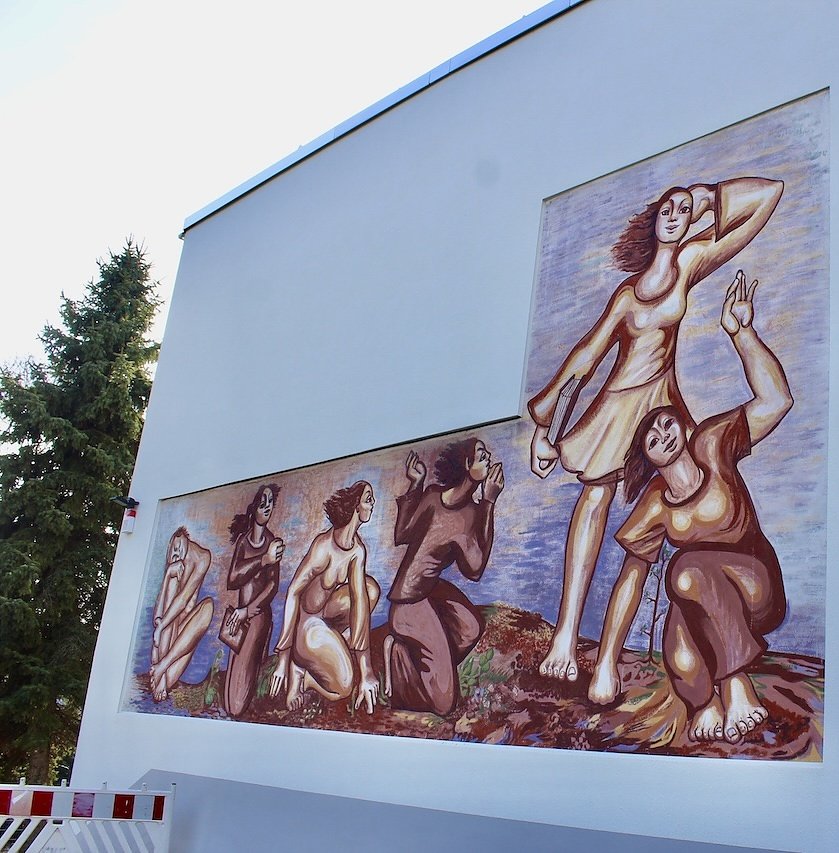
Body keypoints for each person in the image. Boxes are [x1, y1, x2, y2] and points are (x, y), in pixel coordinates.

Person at [528, 176, 784, 682]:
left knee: (668, 506)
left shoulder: (691, 261)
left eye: (683, 210)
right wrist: (546, 426)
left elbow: (766, 198)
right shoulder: (628, 296)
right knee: (596, 498)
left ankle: (625, 653)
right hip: (620, 402)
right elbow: (586, 357)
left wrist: (706, 197)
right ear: (652, 221)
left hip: (662, 403)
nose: (674, 215)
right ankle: (566, 635)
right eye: (667, 208)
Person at [587, 270, 792, 745]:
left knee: (685, 569)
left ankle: (736, 686)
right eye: (651, 437)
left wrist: (742, 334)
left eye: (666, 424)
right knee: (677, 643)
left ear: (682, 425)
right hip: (703, 595)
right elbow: (630, 582)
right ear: (646, 457)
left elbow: (777, 400)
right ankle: (705, 704)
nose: (662, 434)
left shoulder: (713, 444)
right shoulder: (655, 504)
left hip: (758, 590)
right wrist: (605, 664)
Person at [377, 440, 504, 714]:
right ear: (466, 465)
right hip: (408, 601)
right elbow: (402, 534)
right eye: (482, 456)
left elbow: (473, 570)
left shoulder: (471, 513)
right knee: (445, 704)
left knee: (470, 627)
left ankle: (409, 654)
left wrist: (485, 505)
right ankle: (401, 665)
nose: (488, 459)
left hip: (430, 589)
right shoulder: (433, 496)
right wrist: (416, 484)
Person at [270, 481, 381, 713]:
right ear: (355, 506)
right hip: (306, 626)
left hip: (326, 617)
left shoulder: (357, 551)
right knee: (345, 687)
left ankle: (334, 647)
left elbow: (360, 602)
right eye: (368, 499)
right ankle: (301, 675)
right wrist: (282, 659)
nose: (373, 503)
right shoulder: (323, 547)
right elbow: (293, 592)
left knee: (370, 590)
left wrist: (367, 671)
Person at [221, 483, 284, 718]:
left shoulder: (272, 542)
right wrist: (263, 560)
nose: (267, 508)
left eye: (271, 503)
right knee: (230, 691)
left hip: (257, 617)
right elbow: (232, 579)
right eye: (263, 503)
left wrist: (247, 611)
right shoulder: (244, 541)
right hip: (238, 618)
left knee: (238, 701)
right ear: (254, 507)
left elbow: (272, 587)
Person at [150, 527, 215, 702]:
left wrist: (161, 627)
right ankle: (161, 674)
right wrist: (167, 577)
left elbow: (184, 599)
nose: (176, 553)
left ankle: (162, 668)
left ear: (185, 539)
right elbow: (158, 616)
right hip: (163, 641)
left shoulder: (202, 557)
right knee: (172, 583)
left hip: (181, 643)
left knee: (208, 607)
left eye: (178, 548)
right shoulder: (174, 564)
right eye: (173, 551)